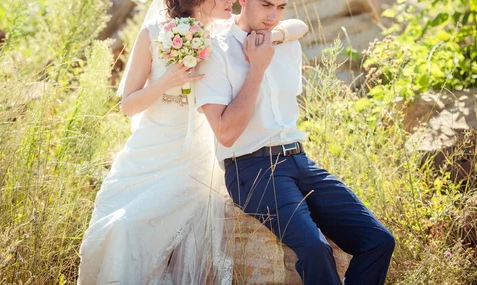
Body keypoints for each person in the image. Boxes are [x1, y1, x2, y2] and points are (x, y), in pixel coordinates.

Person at [77, 0, 308, 284]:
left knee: (130, 228)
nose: (232, 2)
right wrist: (167, 81)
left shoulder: (226, 31)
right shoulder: (153, 33)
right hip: (147, 149)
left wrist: (274, 36)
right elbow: (128, 105)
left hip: (193, 156)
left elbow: (299, 26)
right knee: (116, 227)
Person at [195, 0, 396, 284]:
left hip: (299, 161)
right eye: (266, 5)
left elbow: (295, 27)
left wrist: (275, 37)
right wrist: (257, 69)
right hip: (252, 169)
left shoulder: (286, 41)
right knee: (316, 249)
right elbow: (225, 133)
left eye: (281, 7)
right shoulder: (216, 51)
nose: (273, 16)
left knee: (379, 240)